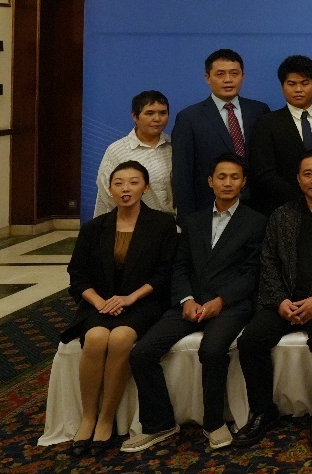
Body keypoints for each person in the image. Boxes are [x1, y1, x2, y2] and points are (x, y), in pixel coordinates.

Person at [124, 154, 267, 451]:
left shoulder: (256, 222)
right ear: (210, 181)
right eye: (222, 177)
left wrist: (221, 300)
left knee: (212, 350)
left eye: (235, 177)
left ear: (244, 183)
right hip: (190, 302)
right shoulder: (193, 221)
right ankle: (160, 423)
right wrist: (186, 299)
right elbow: (180, 266)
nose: (228, 183)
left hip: (230, 305)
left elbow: (252, 273)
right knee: (141, 352)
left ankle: (214, 423)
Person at [232, 150, 312, 446]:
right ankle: (262, 411)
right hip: (285, 301)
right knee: (250, 340)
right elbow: (268, 262)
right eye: (308, 174)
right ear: (298, 179)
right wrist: (280, 301)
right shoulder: (282, 215)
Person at [62, 161, 177, 455]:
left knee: (121, 338)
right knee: (96, 337)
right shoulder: (94, 228)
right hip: (100, 303)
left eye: (134, 182)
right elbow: (77, 276)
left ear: (146, 187)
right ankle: (88, 417)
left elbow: (164, 274)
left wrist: (129, 298)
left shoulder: (162, 225)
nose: (126, 189)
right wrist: (99, 302)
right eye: (119, 183)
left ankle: (106, 418)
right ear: (110, 189)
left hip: (144, 302)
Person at [172, 49, 270, 216]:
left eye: (234, 73)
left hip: (257, 208)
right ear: (207, 78)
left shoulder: (259, 110)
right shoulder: (189, 118)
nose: (228, 80)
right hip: (209, 209)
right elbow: (182, 174)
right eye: (220, 74)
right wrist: (187, 219)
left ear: (243, 76)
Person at [248, 55, 312, 216]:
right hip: (283, 210)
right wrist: (301, 201)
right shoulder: (266, 123)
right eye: (291, 84)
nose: (298, 89)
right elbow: (264, 172)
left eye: (304, 83)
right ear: (282, 86)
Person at [94, 90, 174, 216]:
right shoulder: (117, 151)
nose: (157, 119)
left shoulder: (175, 147)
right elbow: (108, 194)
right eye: (150, 113)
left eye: (163, 113)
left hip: (173, 223)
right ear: (135, 116)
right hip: (133, 222)